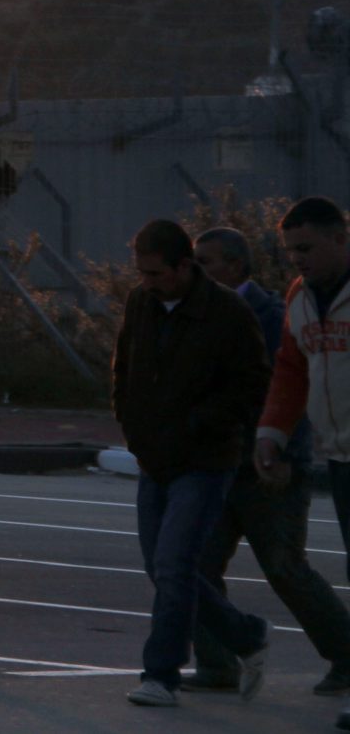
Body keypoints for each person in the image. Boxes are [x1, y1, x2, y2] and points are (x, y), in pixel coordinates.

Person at [184, 225, 350, 695]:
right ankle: (217, 667)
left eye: (207, 261)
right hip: (215, 465)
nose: (197, 270)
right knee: (196, 563)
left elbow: (292, 385)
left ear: (235, 266)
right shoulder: (199, 313)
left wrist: (285, 455)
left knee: (284, 567)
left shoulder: (270, 313)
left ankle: (346, 655)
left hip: (267, 469)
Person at [112, 218, 271, 708]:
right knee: (161, 567)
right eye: (141, 273)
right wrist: (135, 430)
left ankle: (161, 674)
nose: (147, 283)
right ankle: (246, 636)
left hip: (204, 461)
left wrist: (202, 423)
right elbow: (124, 369)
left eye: (156, 274)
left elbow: (251, 384)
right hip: (154, 458)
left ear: (185, 266)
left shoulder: (227, 311)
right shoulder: (142, 304)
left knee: (176, 562)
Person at [254, 196, 350, 731]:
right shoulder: (300, 297)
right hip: (339, 455)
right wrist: (272, 433)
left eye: (307, 248)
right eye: (291, 251)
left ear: (341, 237)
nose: (298, 259)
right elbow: (291, 370)